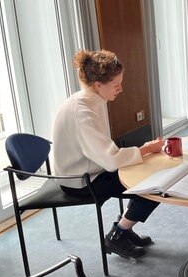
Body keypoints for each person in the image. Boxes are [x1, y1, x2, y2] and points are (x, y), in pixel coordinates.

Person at [52, 49, 164, 260]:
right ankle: (117, 236)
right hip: (82, 182)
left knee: (147, 171)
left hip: (91, 168)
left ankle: (124, 228)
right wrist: (147, 149)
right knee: (157, 187)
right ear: (98, 85)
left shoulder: (89, 100)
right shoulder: (82, 112)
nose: (121, 89)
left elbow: (106, 155)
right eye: (116, 84)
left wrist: (142, 152)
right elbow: (111, 160)